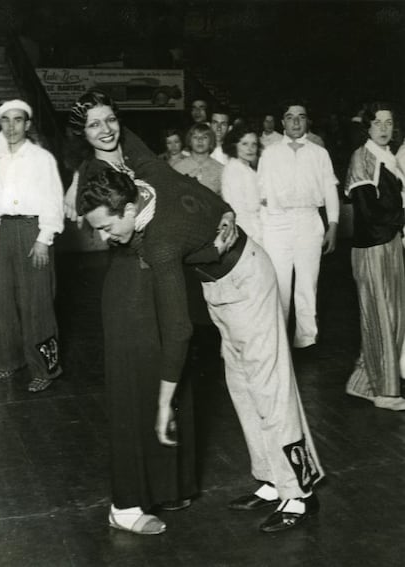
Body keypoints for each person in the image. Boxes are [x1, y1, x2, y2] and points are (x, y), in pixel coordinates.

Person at [73, 101, 325, 533]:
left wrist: (162, 402)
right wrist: (222, 213)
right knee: (242, 383)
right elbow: (134, 143)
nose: (103, 236)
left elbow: (178, 330)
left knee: (269, 384)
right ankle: (270, 479)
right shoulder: (150, 173)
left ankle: (299, 493)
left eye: (106, 226)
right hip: (220, 284)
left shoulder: (160, 243)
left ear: (129, 210)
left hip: (248, 279)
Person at [64, 89, 237, 535]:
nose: (105, 130)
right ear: (82, 135)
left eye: (109, 120)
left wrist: (221, 211)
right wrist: (197, 238)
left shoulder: (131, 148)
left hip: (163, 273)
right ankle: (123, 507)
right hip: (130, 289)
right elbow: (145, 227)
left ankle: (167, 484)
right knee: (136, 389)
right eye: (93, 125)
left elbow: (169, 180)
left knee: (174, 368)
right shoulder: (94, 173)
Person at [0, 99, 64, 391]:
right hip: (3, 230)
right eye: (5, 120)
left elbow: (53, 201)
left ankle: (45, 369)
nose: (11, 126)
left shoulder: (41, 158)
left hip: (33, 230)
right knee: (4, 301)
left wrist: (45, 238)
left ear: (28, 124)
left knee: (38, 303)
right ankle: (11, 360)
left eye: (18, 120)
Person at [258, 100, 339, 349]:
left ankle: (306, 339)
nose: (295, 121)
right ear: (282, 122)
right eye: (290, 117)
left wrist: (333, 226)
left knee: (307, 283)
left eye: (301, 117)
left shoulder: (319, 153)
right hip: (277, 223)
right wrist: (263, 230)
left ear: (307, 121)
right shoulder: (270, 153)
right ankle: (279, 340)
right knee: (280, 284)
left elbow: (329, 190)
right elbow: (260, 194)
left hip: (309, 221)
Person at [344, 102, 405, 411]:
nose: (384, 128)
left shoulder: (389, 158)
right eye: (378, 123)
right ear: (367, 127)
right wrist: (401, 217)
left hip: (389, 243)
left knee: (392, 317)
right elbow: (368, 212)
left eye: (389, 123)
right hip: (372, 247)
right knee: (381, 319)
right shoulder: (362, 157)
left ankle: (363, 382)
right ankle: (385, 391)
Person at [221, 124, 263, 246]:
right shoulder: (233, 170)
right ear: (234, 146)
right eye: (244, 144)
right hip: (247, 233)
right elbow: (238, 211)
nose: (250, 149)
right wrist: (254, 238)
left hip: (256, 229)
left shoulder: (247, 169)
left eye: (254, 144)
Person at [173, 122, 223, 195]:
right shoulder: (178, 168)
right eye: (195, 137)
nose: (200, 140)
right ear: (190, 141)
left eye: (205, 137)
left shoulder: (221, 170)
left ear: (211, 141)